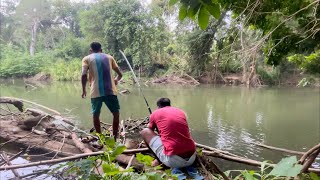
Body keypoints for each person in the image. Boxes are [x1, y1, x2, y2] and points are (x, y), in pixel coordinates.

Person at [81, 42, 122, 139]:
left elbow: (83, 75)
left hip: (95, 91)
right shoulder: (109, 57)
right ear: (101, 50)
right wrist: (116, 80)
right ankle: (115, 137)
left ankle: (100, 138)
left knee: (96, 114)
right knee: (116, 114)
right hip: (110, 91)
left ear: (90, 50)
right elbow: (120, 74)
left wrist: (83, 90)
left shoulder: (86, 58)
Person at [140, 98, 196, 168]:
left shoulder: (155, 113)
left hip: (173, 162)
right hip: (192, 157)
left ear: (158, 107)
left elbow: (150, 129)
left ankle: (158, 160)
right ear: (169, 104)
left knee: (145, 131)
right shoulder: (180, 111)